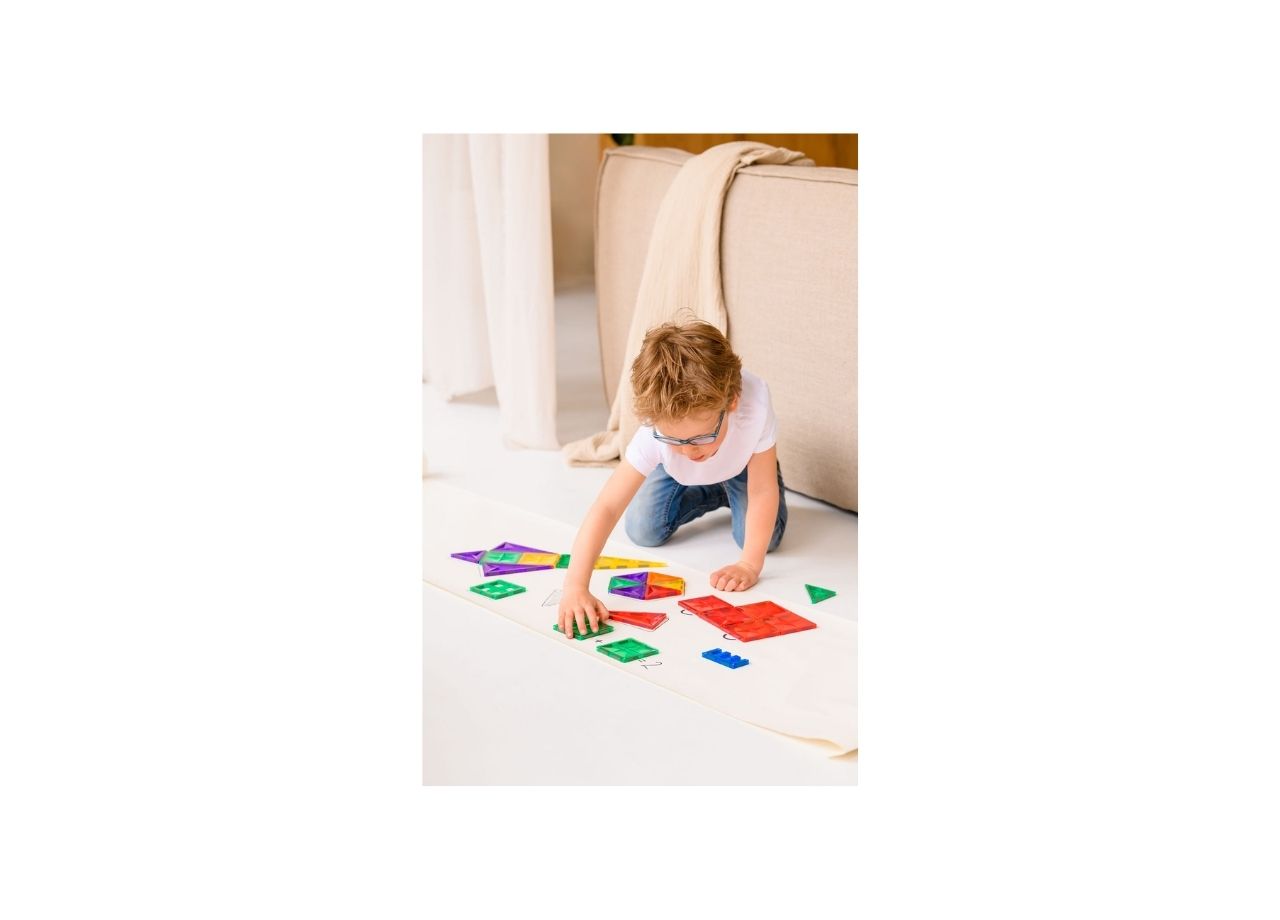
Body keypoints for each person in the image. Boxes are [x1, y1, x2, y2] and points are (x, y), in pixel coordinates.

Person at [557, 320, 787, 639]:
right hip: (677, 473)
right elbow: (607, 506)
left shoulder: (754, 404)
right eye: (675, 439)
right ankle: (713, 491)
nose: (690, 451)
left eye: (700, 437)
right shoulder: (656, 435)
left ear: (731, 402)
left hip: (743, 468)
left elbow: (761, 490)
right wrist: (575, 586)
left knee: (766, 540)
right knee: (643, 529)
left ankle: (727, 490)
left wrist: (749, 564)